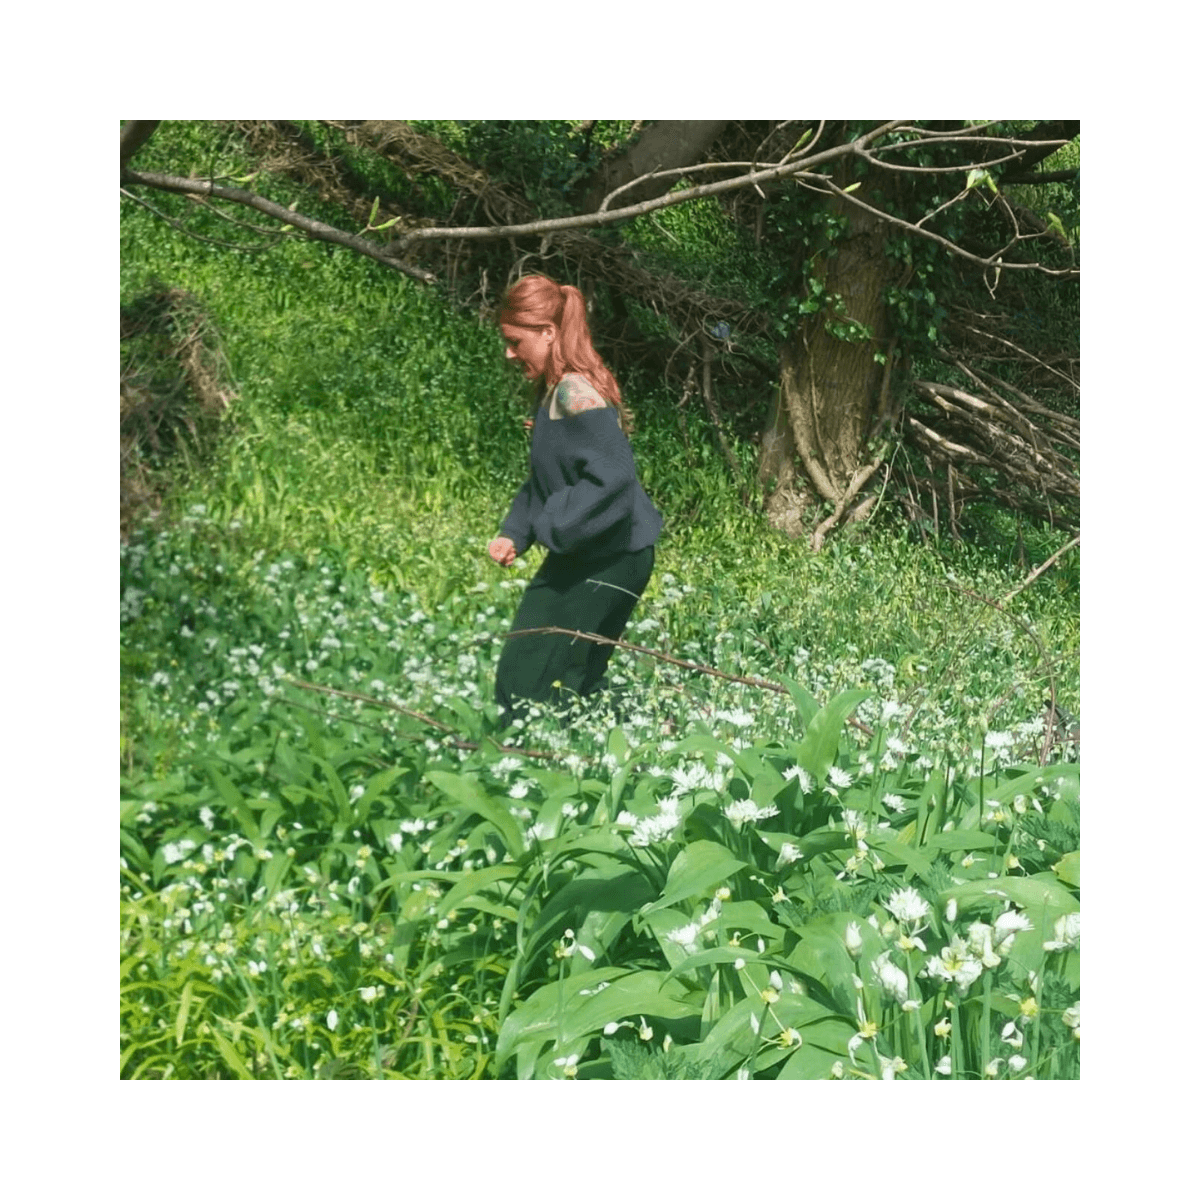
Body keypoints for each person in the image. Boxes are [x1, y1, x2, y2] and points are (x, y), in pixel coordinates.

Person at [488, 275, 663, 729]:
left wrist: (553, 526)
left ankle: (531, 764)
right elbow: (547, 479)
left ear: (548, 333)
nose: (509, 353)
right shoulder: (554, 393)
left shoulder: (574, 393)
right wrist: (517, 531)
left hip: (613, 557)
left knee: (533, 678)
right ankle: (599, 751)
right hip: (598, 551)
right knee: (558, 675)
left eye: (515, 341)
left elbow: (615, 477)